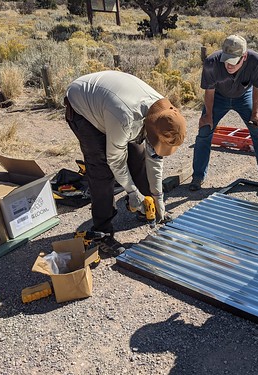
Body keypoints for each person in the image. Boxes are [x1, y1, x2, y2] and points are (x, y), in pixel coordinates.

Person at [65, 70, 186, 256]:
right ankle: (102, 233)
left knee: (138, 156)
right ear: (151, 126)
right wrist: (131, 191)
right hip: (83, 106)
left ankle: (145, 209)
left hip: (110, 104)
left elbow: (154, 159)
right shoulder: (125, 117)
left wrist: (157, 198)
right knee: (102, 169)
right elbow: (116, 160)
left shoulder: (160, 112)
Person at [189, 35, 258, 191]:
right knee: (204, 130)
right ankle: (197, 177)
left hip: (244, 96)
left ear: (244, 57)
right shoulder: (212, 63)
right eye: (226, 59)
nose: (228, 65)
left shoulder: (256, 62)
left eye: (233, 60)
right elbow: (209, 91)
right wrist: (207, 116)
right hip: (218, 97)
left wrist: (255, 113)